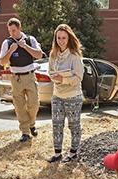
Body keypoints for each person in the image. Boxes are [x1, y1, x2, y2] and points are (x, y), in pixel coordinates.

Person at [0, 18, 43, 142]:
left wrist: (25, 46)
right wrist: (11, 51)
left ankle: (32, 124)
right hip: (16, 78)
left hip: (29, 76)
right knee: (19, 106)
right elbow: (2, 61)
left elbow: (39, 55)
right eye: (10, 31)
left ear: (20, 28)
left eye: (14, 30)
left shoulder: (30, 39)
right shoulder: (7, 43)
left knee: (34, 103)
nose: (12, 33)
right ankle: (25, 132)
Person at [47, 24, 84, 163]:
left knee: (73, 126)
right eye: (58, 38)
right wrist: (54, 77)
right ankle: (57, 154)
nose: (61, 41)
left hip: (73, 96)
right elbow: (50, 72)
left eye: (64, 38)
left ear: (69, 38)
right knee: (57, 125)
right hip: (57, 95)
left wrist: (63, 79)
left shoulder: (75, 56)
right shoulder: (53, 55)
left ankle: (73, 152)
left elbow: (79, 78)